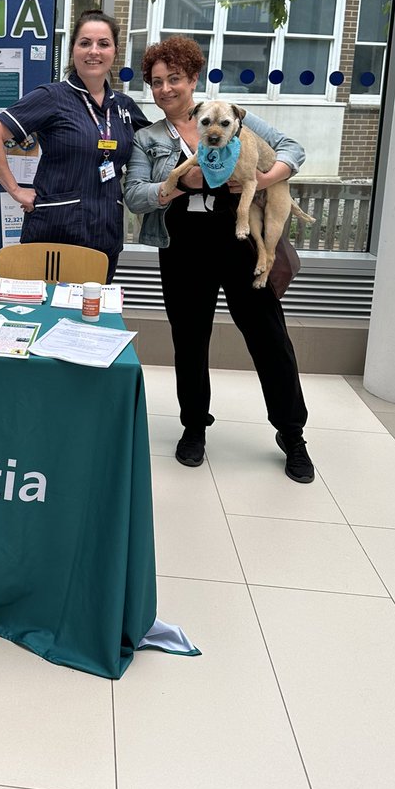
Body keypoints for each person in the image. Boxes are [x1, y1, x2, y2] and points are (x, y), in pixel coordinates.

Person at [123, 35, 314, 483]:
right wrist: (177, 187)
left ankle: (292, 433)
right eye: (156, 82)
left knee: (269, 336)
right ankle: (194, 428)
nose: (166, 88)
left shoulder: (235, 119)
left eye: (175, 78)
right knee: (189, 341)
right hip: (183, 245)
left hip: (239, 240)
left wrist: (264, 178)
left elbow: (293, 150)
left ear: (193, 79)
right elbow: (134, 195)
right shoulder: (148, 138)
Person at [0, 9, 149, 281]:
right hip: (54, 232)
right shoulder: (52, 97)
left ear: (115, 52)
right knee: (43, 314)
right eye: (85, 43)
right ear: (73, 51)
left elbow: (155, 144)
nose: (94, 51)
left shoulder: (124, 107)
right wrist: (15, 190)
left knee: (92, 315)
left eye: (103, 44)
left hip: (105, 235)